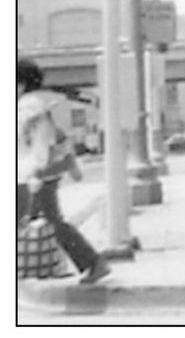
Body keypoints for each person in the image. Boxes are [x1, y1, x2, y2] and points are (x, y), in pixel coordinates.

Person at [17, 59, 111, 284]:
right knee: (44, 221)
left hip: (34, 174)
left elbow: (38, 143)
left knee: (49, 222)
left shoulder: (28, 107)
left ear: (20, 83)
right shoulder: (34, 104)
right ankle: (92, 262)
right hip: (34, 173)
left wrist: (35, 173)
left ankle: (93, 261)